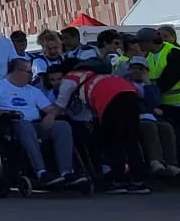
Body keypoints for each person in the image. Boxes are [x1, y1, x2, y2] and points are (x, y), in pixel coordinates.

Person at [51, 62, 151, 193]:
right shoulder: (97, 76)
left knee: (113, 141)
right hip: (130, 93)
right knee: (131, 140)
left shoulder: (70, 78)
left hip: (111, 100)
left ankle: (118, 180)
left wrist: (49, 116)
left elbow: (60, 104)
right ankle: (139, 180)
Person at [0, 58, 77, 188]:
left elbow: (50, 109)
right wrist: (10, 113)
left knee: (62, 126)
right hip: (10, 125)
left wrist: (51, 115)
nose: (31, 75)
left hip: (35, 125)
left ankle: (66, 172)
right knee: (24, 124)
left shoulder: (33, 90)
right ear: (16, 71)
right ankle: (41, 172)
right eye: (28, 72)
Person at [127, 27, 180, 159]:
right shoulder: (146, 55)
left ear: (148, 42)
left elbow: (168, 80)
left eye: (140, 42)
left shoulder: (174, 53)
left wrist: (151, 94)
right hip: (161, 103)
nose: (138, 46)